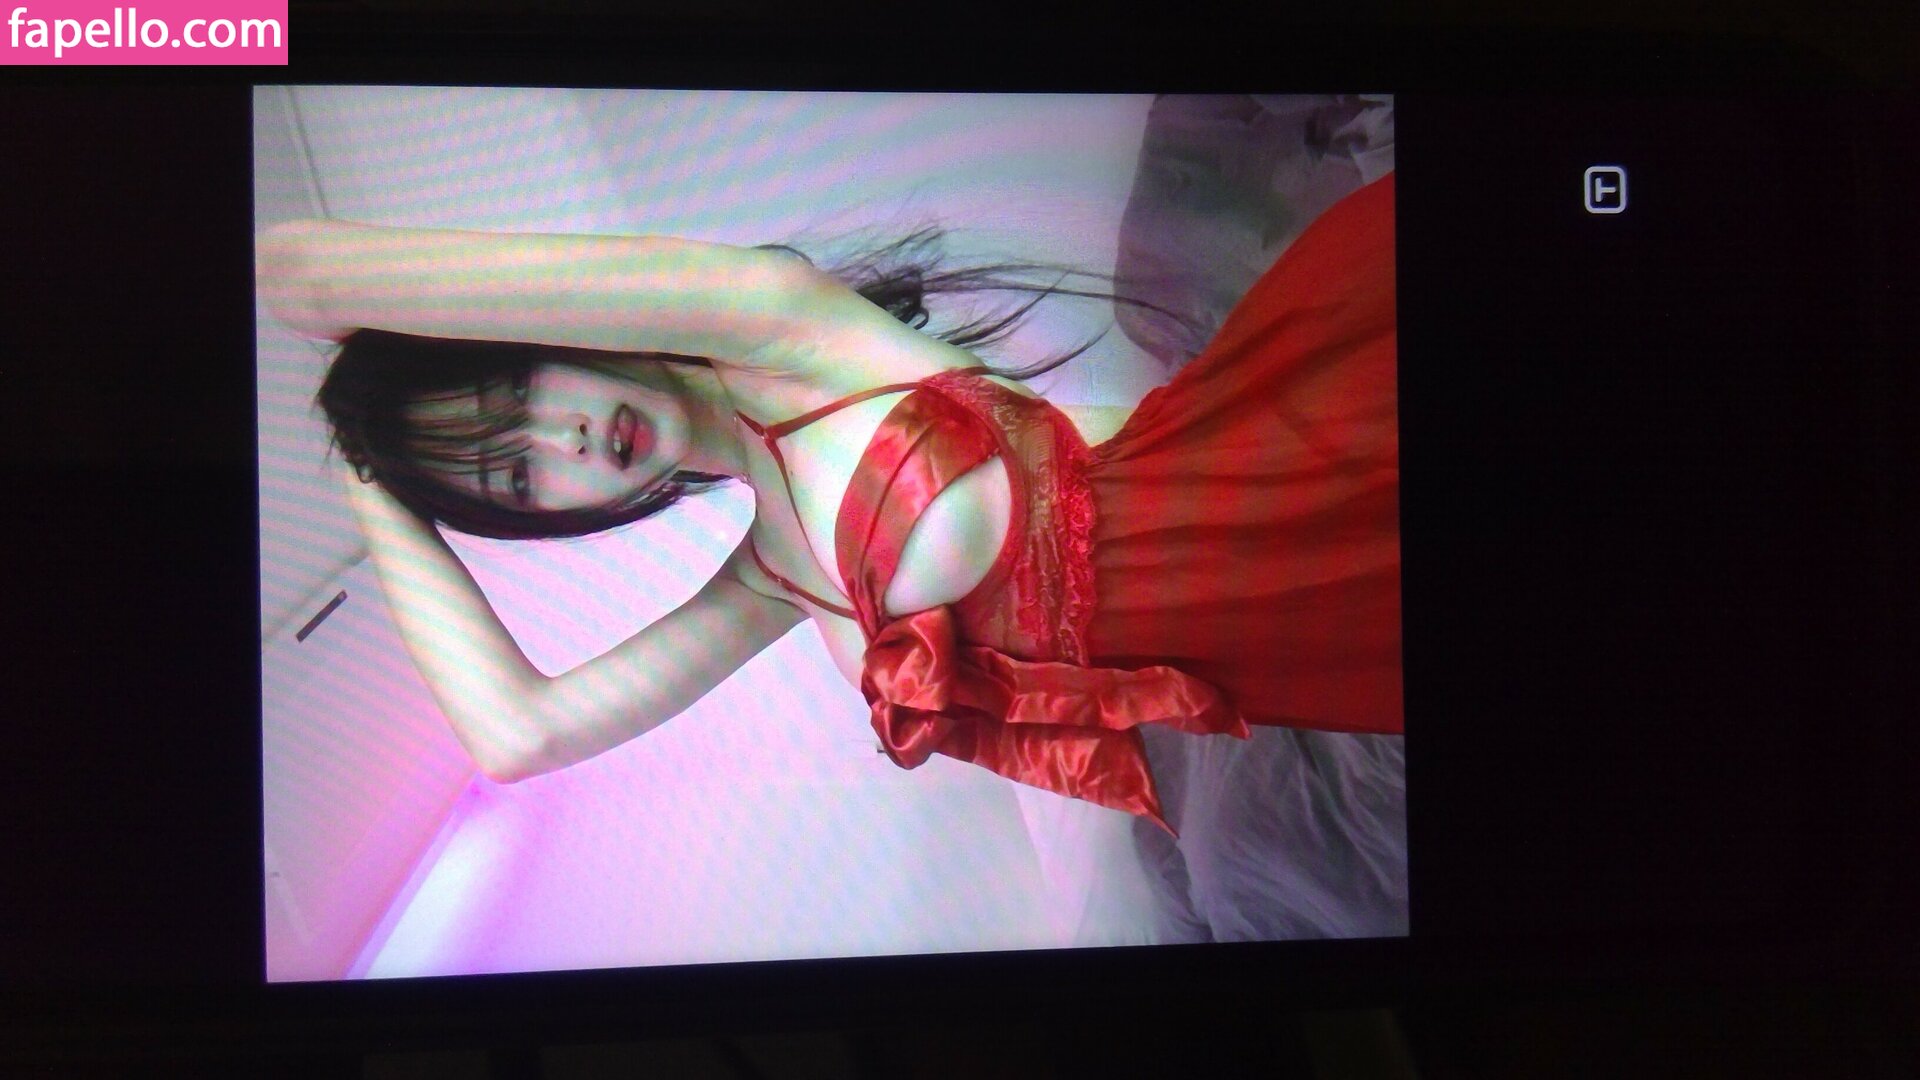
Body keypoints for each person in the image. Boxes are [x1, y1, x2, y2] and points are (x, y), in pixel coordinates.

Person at [258, 174, 1404, 939]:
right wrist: (370, 472)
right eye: (514, 479)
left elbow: (292, 272)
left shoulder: (777, 325)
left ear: (538, 332)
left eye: (517, 395)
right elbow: (520, 733)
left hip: (1327, 481)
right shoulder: (777, 577)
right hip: (1318, 653)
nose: (562, 445)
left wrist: (360, 400)